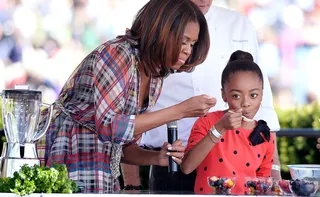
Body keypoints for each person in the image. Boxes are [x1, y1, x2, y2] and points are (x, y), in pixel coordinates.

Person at [37, 0, 216, 193]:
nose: (188, 50)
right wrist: (180, 111)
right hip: (69, 158)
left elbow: (122, 145)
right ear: (161, 30)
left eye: (192, 43)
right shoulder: (117, 54)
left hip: (102, 170)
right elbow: (109, 127)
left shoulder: (154, 73)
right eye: (183, 41)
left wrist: (156, 158)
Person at [135, 0, 281, 192]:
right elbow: (128, 116)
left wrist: (275, 172)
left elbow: (265, 103)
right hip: (168, 161)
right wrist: (131, 183)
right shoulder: (156, 22)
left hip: (238, 169)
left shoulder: (239, 24)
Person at [181, 50, 275, 194]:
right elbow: (187, 167)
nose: (246, 103)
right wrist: (219, 129)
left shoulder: (264, 135)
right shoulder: (207, 121)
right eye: (236, 96)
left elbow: (262, 185)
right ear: (224, 95)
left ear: (262, 94)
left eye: (253, 95)